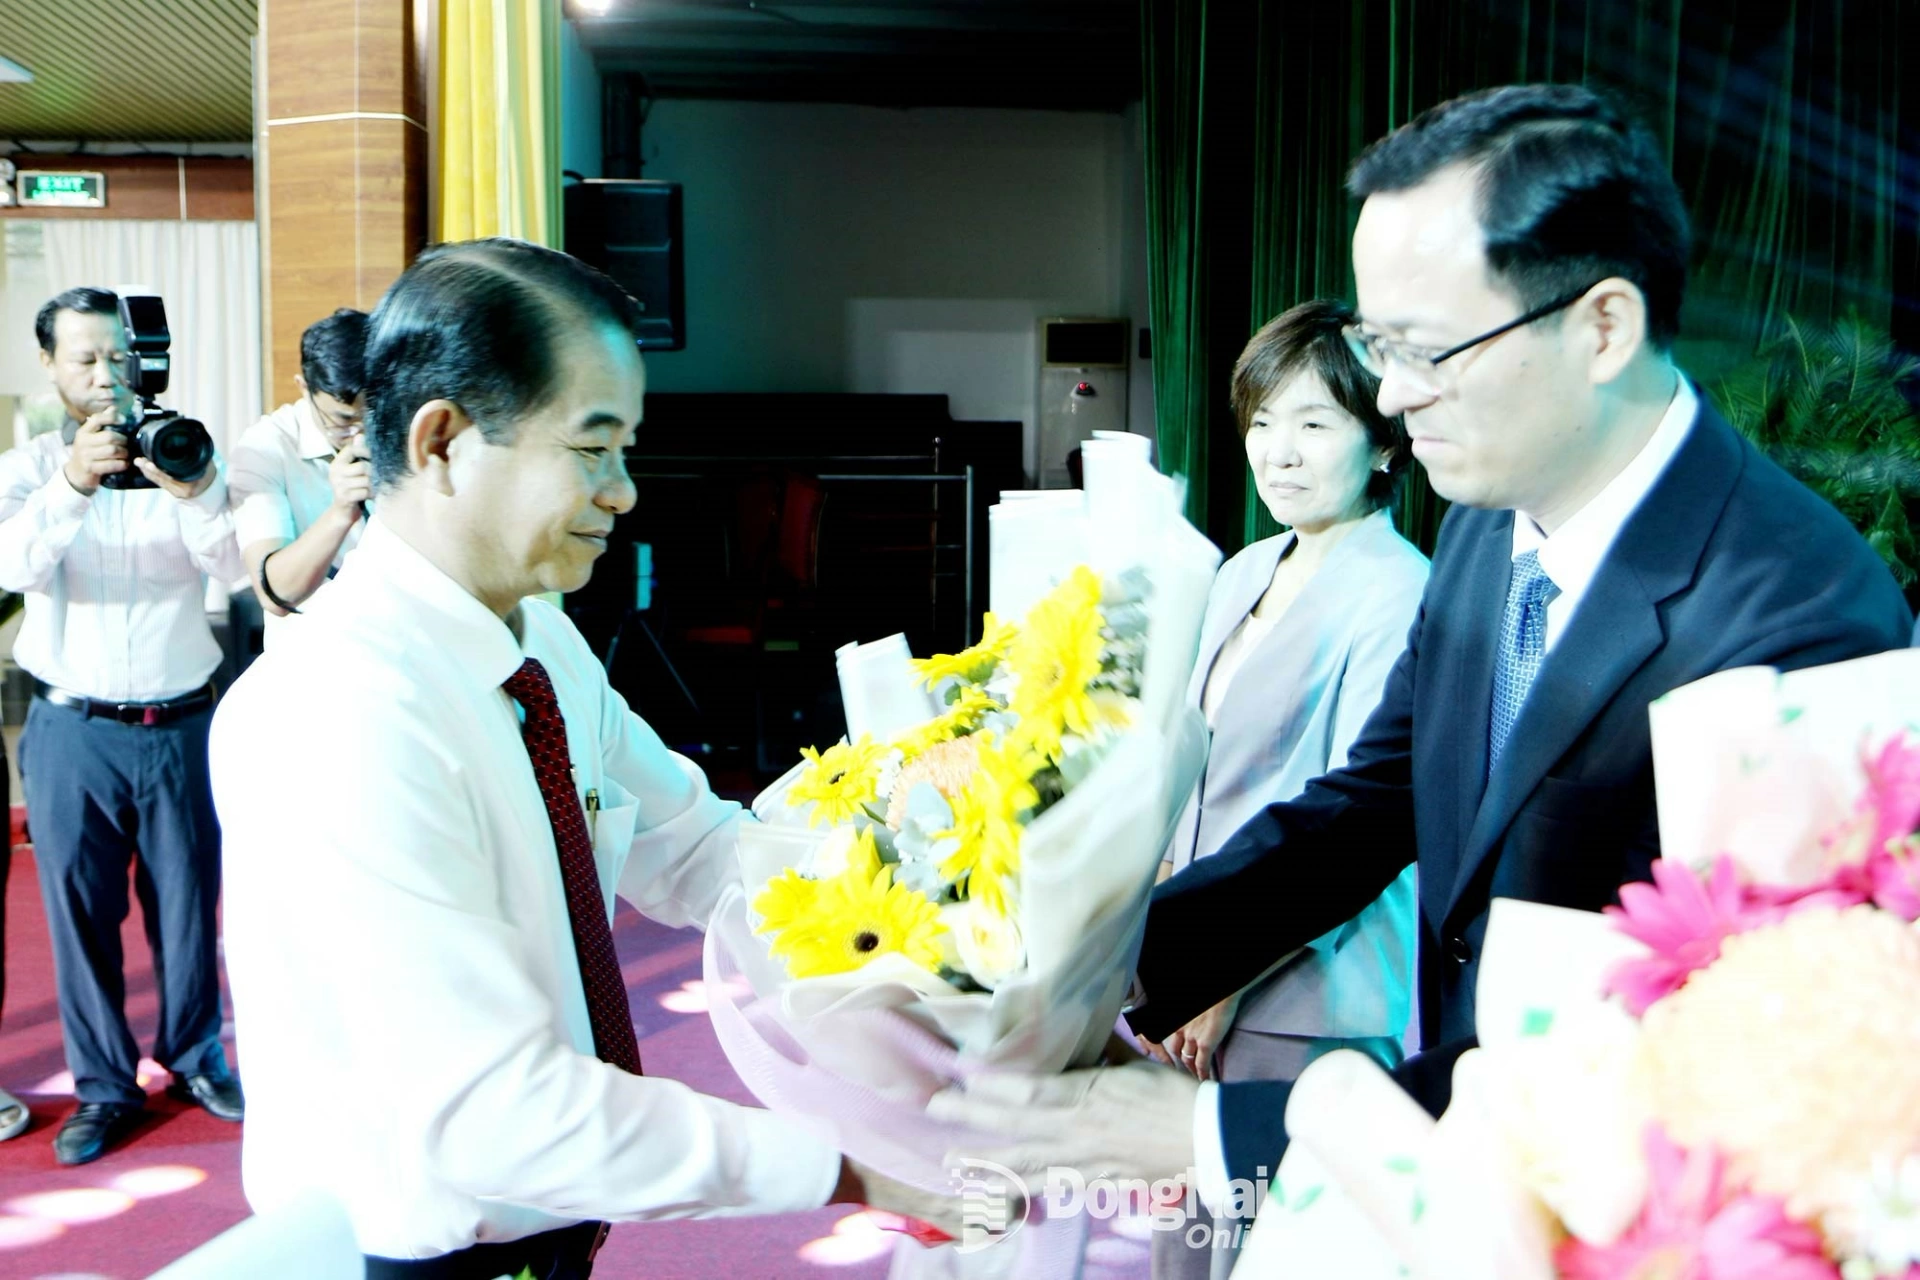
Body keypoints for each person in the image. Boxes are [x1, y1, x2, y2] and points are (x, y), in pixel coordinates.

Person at [927, 83, 1914, 1228]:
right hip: (1471, 1151)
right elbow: (1380, 796)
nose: (1391, 396)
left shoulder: (1800, 618)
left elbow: (1706, 1051)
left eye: (1427, 350)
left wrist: (1222, 1130)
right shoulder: (1492, 515)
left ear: (1602, 326)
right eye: (1379, 346)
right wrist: (1112, 961)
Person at [210, 239, 953, 1278]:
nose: (625, 492)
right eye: (593, 448)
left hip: (555, 1218)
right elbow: (491, 1109)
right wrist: (854, 1169)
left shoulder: (537, 639)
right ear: (443, 441)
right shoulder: (342, 709)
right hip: (413, 1252)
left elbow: (693, 846)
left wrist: (920, 921)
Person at [1147, 300, 1426, 1280]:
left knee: (1283, 1247)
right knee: (1191, 1250)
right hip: (1190, 972)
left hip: (1303, 996)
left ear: (1383, 441)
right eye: (1264, 421)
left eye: (1315, 423)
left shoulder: (1400, 591)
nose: (1281, 451)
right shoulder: (1243, 570)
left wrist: (1215, 978)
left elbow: (1353, 816)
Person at [0, 286, 248, 1165]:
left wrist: (198, 488)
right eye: (84, 359)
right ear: (50, 366)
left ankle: (195, 1056)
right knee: (81, 914)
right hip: (73, 731)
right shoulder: (30, 467)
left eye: (118, 357)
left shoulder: (183, 451)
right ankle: (103, 1087)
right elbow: (13, 563)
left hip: (182, 721)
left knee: (188, 911)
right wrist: (74, 480)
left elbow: (236, 566)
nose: (105, 376)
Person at [229, 308, 372, 624]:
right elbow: (274, 594)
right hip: (314, 652)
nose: (361, 435)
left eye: (372, 415)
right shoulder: (264, 448)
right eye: (344, 420)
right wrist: (340, 512)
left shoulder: (400, 429)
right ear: (304, 386)